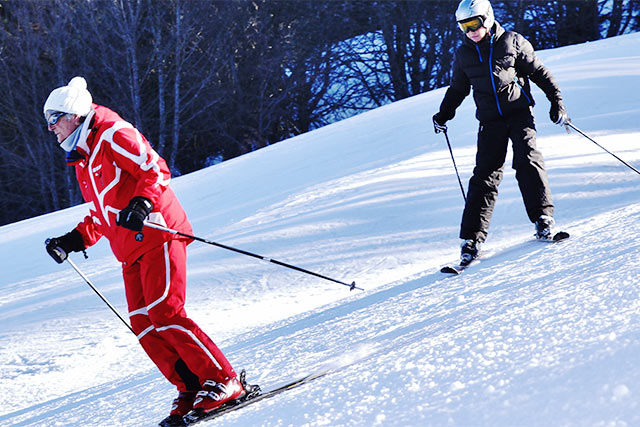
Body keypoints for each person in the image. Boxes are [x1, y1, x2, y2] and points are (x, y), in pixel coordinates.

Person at [43, 77, 251, 426]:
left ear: (75, 116)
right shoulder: (83, 158)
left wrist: (141, 204)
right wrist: (73, 240)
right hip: (129, 249)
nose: (50, 128)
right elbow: (103, 211)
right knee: (143, 322)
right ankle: (192, 388)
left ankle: (223, 379)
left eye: (55, 118)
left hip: (158, 232)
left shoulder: (112, 133)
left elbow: (154, 168)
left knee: (165, 311)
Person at [433, 0, 569, 265]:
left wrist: (557, 101)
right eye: (464, 26)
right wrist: (443, 114)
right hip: (490, 121)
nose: (470, 31)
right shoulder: (465, 54)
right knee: (484, 176)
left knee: (527, 161)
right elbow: (458, 88)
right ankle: (471, 240)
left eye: (474, 24)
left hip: (519, 114)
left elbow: (540, 72)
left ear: (487, 18)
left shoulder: (512, 41)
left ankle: (543, 219)